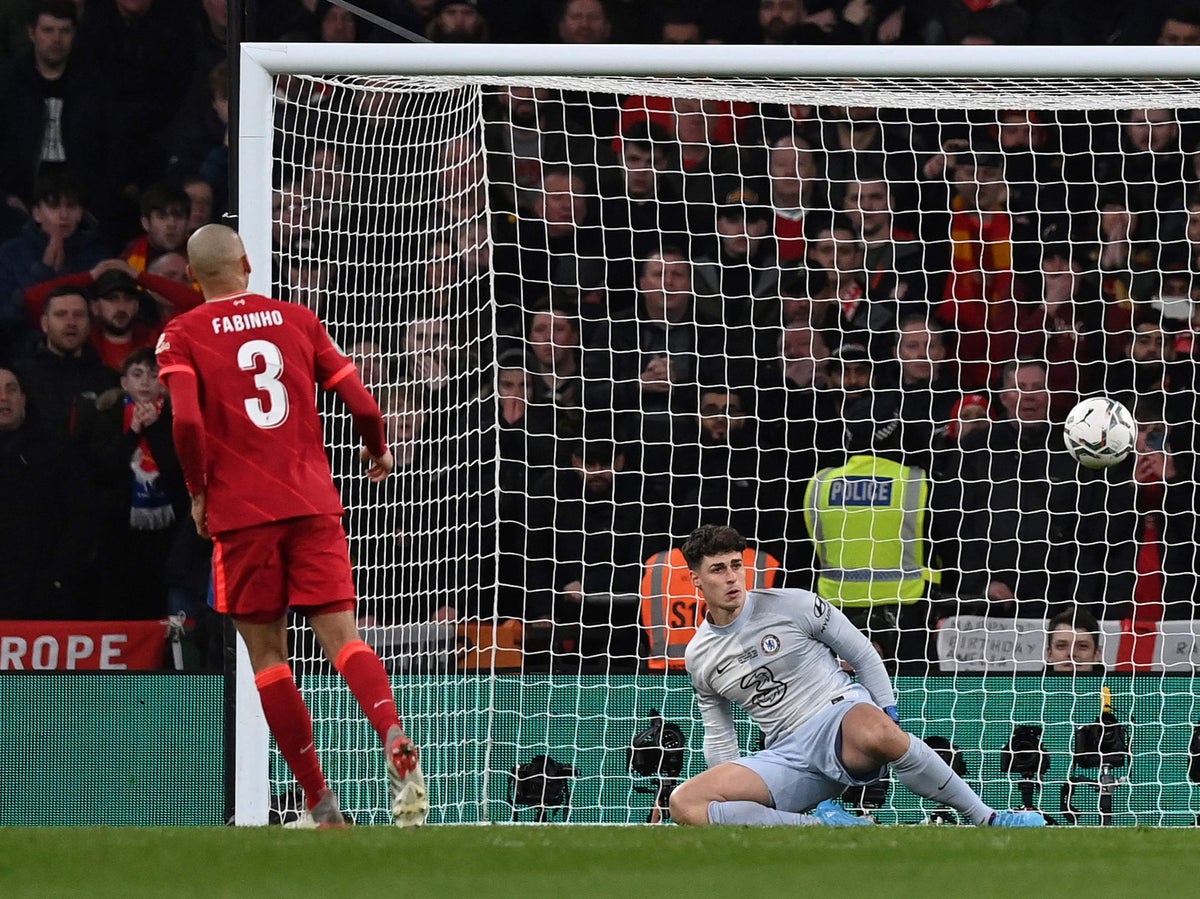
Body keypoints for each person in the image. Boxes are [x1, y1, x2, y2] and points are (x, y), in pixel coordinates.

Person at [156, 224, 427, 828]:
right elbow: (360, 399)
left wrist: (199, 493)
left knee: (270, 658)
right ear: (248, 264)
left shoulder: (181, 334)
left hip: (242, 514)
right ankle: (392, 733)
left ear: (194, 278)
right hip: (311, 501)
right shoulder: (296, 318)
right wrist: (378, 448)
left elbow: (187, 425)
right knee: (345, 638)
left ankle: (321, 806)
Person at [668, 524, 1045, 828]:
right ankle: (822, 828)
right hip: (783, 756)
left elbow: (862, 653)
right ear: (696, 580)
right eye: (718, 569)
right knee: (685, 803)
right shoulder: (700, 655)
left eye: (737, 564)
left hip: (839, 720)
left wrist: (888, 711)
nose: (732, 577)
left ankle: (989, 817)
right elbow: (720, 733)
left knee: (877, 729)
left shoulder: (794, 605)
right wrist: (731, 785)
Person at [1045, 606, 1104, 674]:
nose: (1071, 653)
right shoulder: (1031, 684)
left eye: (1082, 646)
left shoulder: (1113, 684)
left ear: (1097, 654)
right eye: (1061, 646)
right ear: (1049, 654)